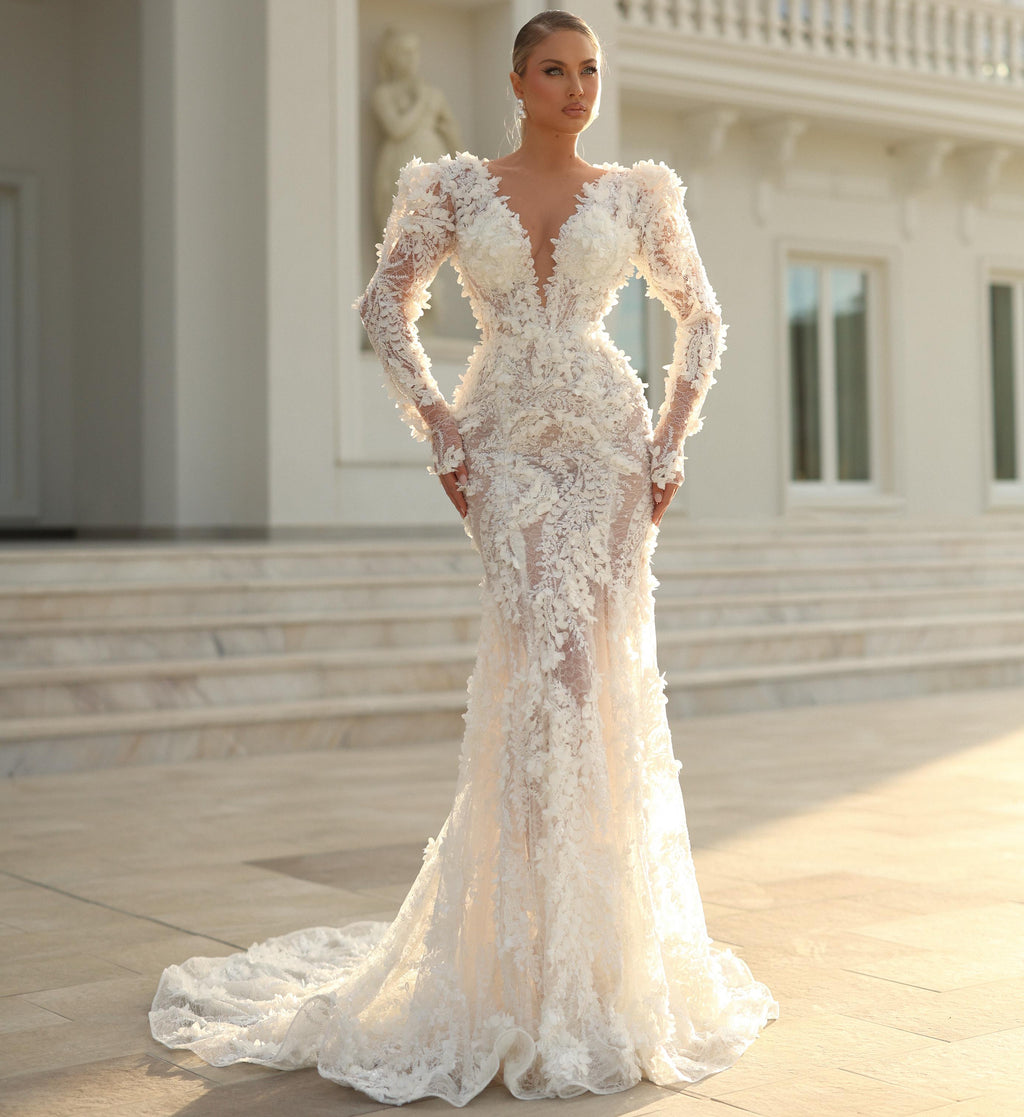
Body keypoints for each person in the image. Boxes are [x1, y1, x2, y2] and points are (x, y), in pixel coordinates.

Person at [148, 10, 779, 1106]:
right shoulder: (450, 185)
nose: (578, 88)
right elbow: (383, 307)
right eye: (555, 70)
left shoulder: (636, 193)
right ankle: (516, 966)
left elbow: (704, 320)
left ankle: (592, 964)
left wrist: (668, 444)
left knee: (590, 681)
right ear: (515, 80)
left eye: (590, 70)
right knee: (541, 674)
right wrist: (441, 427)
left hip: (603, 445)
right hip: (501, 449)